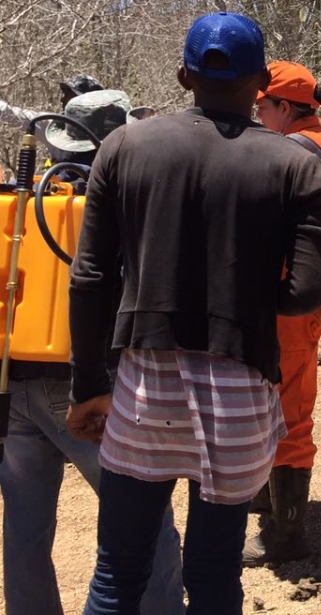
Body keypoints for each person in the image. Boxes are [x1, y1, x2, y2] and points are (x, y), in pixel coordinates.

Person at [66, 11, 321, 614]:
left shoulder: (124, 146)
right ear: (261, 81)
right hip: (238, 394)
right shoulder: (294, 165)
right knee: (213, 576)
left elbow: (91, 279)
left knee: (116, 576)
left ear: (185, 75)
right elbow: (306, 294)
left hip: (142, 395)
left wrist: (89, 387)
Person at [0, 90, 184, 615]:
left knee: (24, 529)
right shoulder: (116, 202)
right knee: (143, 519)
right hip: (89, 387)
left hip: (11, 384)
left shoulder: (22, 198)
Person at [243, 61, 321, 566]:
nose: (255, 113)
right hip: (301, 300)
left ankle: (286, 535)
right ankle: (267, 497)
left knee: (289, 412)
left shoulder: (296, 154)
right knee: (275, 401)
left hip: (292, 304)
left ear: (284, 107)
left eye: (261, 105)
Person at [0, 72, 106, 163]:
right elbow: (16, 116)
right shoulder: (54, 126)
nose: (62, 99)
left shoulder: (108, 133)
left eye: (68, 94)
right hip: (58, 185)